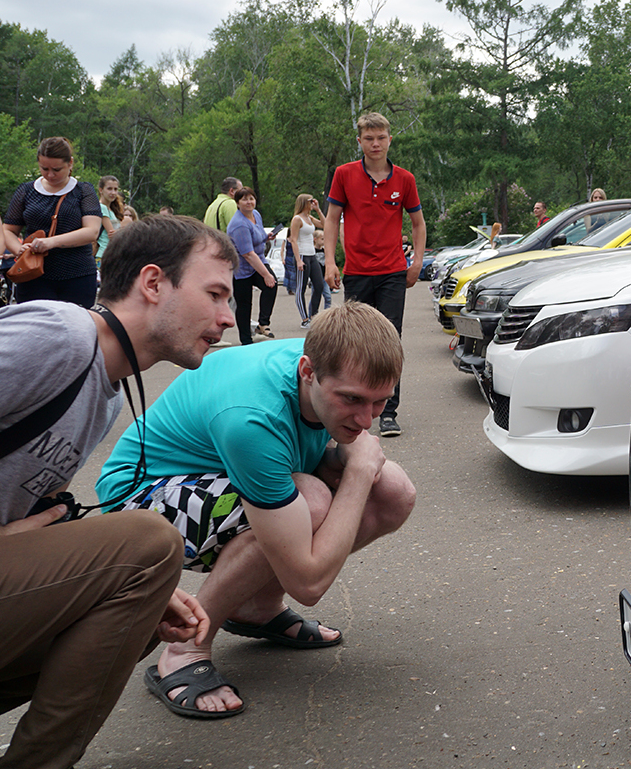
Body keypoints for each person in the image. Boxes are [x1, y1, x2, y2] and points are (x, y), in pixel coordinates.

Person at [95, 301, 417, 719]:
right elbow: (309, 582)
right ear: (307, 370)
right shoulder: (253, 417)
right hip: (140, 502)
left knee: (393, 490)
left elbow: (315, 454)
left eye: (379, 402)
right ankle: (183, 649)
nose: (366, 420)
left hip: (219, 476)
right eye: (352, 399)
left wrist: (351, 463)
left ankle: (255, 609)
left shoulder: (334, 359)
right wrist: (355, 473)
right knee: (312, 499)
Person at [0, 214, 237, 766]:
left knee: (149, 610)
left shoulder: (106, 391)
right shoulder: (60, 336)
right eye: (215, 294)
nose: (228, 317)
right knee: (151, 543)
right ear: (153, 284)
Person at [324, 112, 425, 438]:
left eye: (381, 137)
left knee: (390, 341)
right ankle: (355, 411)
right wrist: (329, 261)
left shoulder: (404, 179)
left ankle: (389, 412)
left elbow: (418, 224)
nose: (376, 143)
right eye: (369, 138)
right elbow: (331, 219)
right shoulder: (344, 174)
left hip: (393, 272)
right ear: (360, 141)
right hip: (357, 272)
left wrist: (418, 262)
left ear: (389, 139)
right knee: (355, 344)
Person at [2, 137, 102, 308]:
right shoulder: (26, 191)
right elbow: (8, 230)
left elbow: (91, 231)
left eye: (57, 169)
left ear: (70, 163)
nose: (50, 174)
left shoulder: (84, 191)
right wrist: (19, 249)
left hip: (78, 276)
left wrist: (50, 242)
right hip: (32, 275)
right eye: (44, 168)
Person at [225, 187, 277, 343]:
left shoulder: (256, 215)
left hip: (258, 260)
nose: (249, 202)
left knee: (271, 286)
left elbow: (256, 238)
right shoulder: (239, 224)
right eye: (244, 199)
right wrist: (265, 274)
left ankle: (263, 323)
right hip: (241, 268)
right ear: (238, 203)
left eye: (251, 198)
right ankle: (246, 340)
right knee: (244, 304)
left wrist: (265, 238)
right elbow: (247, 254)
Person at [289, 193, 325, 327]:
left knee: (319, 285)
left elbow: (325, 225)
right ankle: (305, 319)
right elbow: (293, 240)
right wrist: (298, 260)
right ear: (304, 203)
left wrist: (318, 210)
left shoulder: (309, 217)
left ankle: (313, 315)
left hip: (312, 255)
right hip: (302, 255)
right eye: (310, 201)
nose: (312, 203)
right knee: (301, 288)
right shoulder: (297, 219)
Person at [95, 175, 124, 267]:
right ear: (101, 190)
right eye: (109, 189)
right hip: (103, 253)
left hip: (110, 253)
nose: (113, 192)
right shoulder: (101, 207)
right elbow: (112, 234)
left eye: (115, 189)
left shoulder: (111, 209)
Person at [313, 228, 333, 309]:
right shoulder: (312, 251)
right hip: (316, 277)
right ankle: (313, 314)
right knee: (315, 297)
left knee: (328, 297)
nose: (324, 241)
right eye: (322, 239)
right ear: (315, 239)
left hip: (324, 276)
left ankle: (326, 314)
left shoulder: (324, 250)